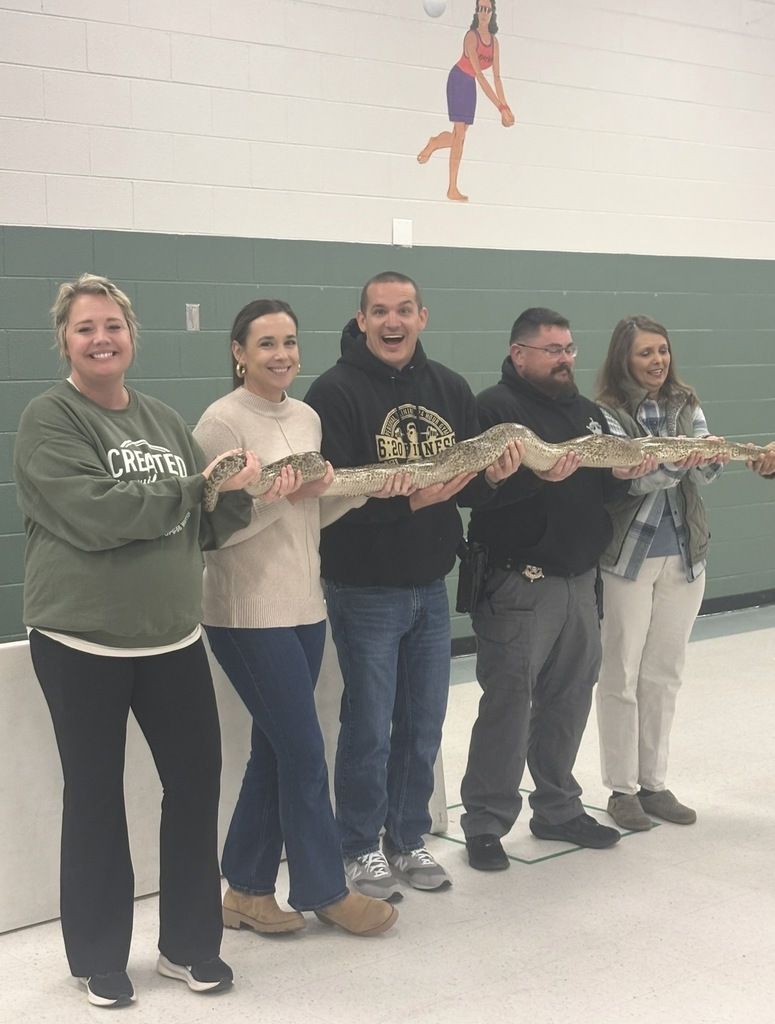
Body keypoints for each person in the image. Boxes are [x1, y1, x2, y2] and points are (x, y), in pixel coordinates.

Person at [13, 274, 262, 1008]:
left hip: (172, 640)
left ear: (131, 336)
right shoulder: (48, 418)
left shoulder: (159, 419)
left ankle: (188, 948)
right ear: (64, 339)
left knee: (193, 787)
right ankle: (96, 956)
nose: (101, 338)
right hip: (79, 642)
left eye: (113, 326)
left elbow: (207, 523)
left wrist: (242, 489)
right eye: (86, 327)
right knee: (95, 797)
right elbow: (95, 513)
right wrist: (194, 492)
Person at [304, 271, 522, 900]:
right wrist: (407, 502)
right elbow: (335, 493)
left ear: (422, 317)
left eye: (404, 310)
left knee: (423, 723)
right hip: (364, 587)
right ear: (362, 318)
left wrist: (499, 476)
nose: (392, 322)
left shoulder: (450, 388)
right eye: (380, 312)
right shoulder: (334, 391)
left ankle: (406, 837)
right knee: (370, 725)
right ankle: (360, 847)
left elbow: (469, 487)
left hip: (431, 583)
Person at [193, 299, 399, 937]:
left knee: (276, 751)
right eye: (265, 344)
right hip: (245, 613)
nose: (281, 354)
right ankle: (324, 889)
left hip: (305, 608)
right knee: (306, 751)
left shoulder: (306, 418)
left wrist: (359, 491)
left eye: (289, 341)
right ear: (238, 353)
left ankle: (246, 891)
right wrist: (284, 499)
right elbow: (211, 534)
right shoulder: (219, 424)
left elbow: (308, 513)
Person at [459, 307, 655, 872]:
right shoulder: (494, 410)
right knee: (509, 703)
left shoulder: (590, 416)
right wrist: (531, 476)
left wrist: (622, 478)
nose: (566, 358)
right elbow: (476, 493)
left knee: (569, 697)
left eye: (570, 348)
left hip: (580, 581)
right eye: (553, 350)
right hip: (521, 584)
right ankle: (487, 823)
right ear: (519, 353)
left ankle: (557, 808)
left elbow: (606, 497)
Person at [594, 315, 728, 831]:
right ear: (624, 359)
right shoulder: (606, 413)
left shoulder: (685, 402)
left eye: (663, 351)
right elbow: (631, 480)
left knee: (664, 673)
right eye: (645, 353)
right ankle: (621, 789)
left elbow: (707, 465)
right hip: (628, 559)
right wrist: (679, 460)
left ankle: (654, 783)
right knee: (621, 674)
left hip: (686, 555)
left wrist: (704, 456)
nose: (657, 362)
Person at [417, 0, 514, 201]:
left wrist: (505, 107)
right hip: (459, 79)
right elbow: (480, 75)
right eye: (480, 9)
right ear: (476, 12)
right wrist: (499, 107)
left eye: (487, 9)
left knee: (459, 137)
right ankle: (452, 188)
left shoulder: (494, 43)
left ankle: (435, 142)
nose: (483, 13)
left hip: (469, 85)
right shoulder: (471, 37)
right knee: (459, 136)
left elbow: (496, 77)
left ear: (492, 12)